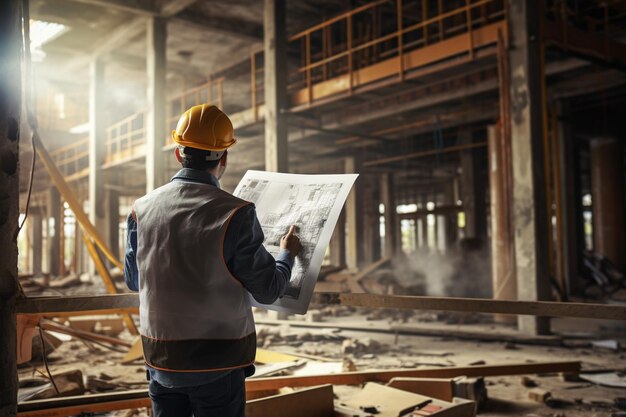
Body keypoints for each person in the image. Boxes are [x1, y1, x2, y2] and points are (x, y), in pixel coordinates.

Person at [123, 104, 302, 417]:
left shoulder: (141, 208)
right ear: (224, 158)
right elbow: (268, 290)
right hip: (219, 362)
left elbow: (134, 280)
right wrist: (287, 253)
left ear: (179, 153)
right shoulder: (235, 212)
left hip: (160, 358)